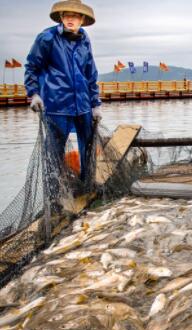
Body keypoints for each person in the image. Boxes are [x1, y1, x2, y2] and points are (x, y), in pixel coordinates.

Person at [25, 0, 101, 203]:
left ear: (82, 20)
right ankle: (56, 198)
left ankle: (87, 187)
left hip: (83, 105)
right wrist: (33, 94)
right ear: (60, 17)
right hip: (57, 105)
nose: (71, 19)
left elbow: (90, 72)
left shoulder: (85, 39)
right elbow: (32, 66)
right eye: (67, 15)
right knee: (54, 152)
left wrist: (95, 103)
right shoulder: (47, 37)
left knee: (88, 146)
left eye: (75, 16)